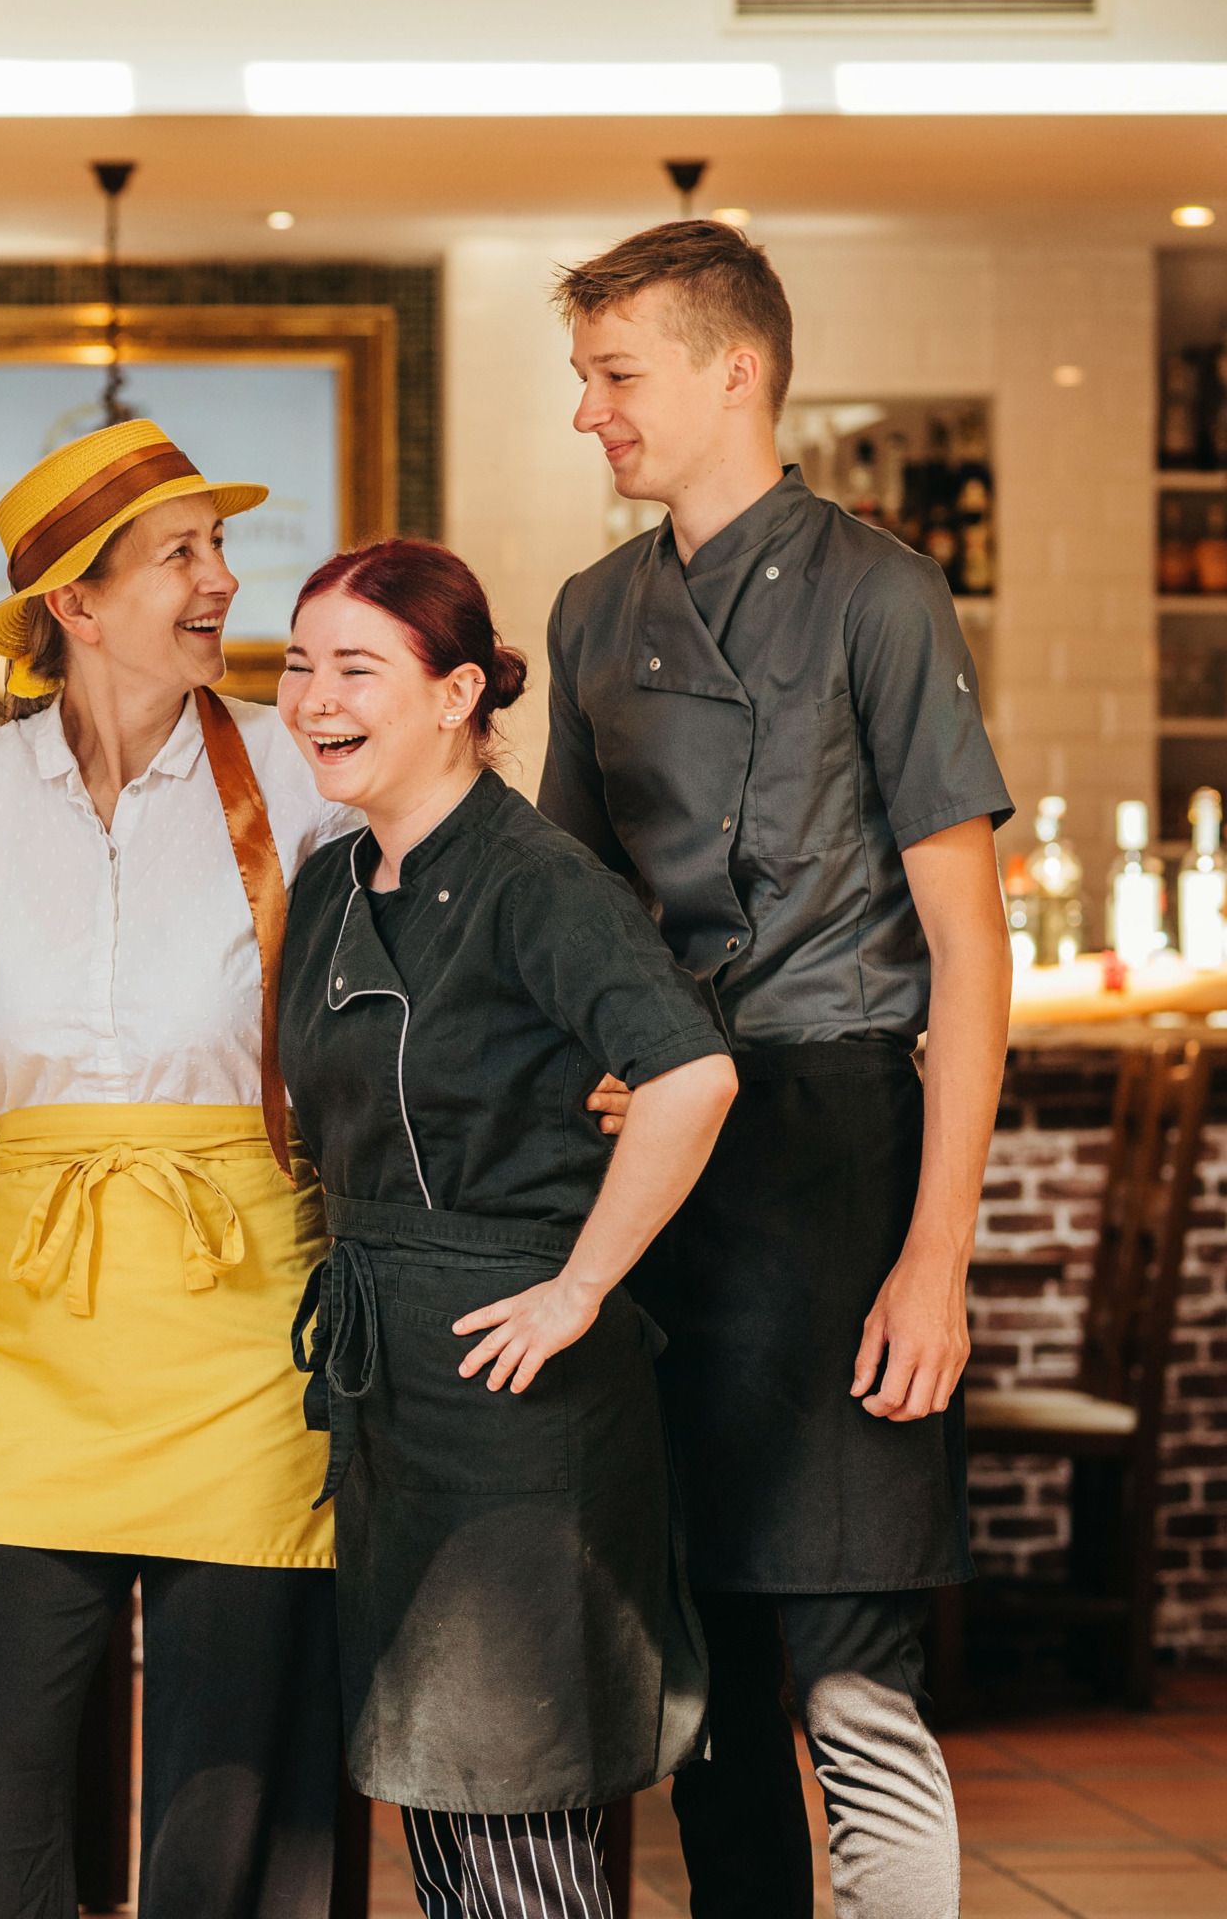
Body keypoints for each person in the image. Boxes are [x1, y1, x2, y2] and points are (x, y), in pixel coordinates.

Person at [540, 220, 1013, 1919]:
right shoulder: (592, 609)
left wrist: (936, 1259)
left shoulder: (883, 590)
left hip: (840, 1157)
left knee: (851, 1669)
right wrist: (606, 1061)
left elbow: (969, 943)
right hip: (678, 1176)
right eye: (584, 379)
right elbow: (577, 929)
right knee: (714, 1686)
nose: (590, 413)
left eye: (616, 376)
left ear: (733, 370)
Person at [0, 421, 351, 1919]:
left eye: (220, 549)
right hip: (35, 1316)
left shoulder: (301, 784)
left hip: (241, 1310)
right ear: (75, 606)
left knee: (228, 1771)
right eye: (183, 554)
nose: (225, 580)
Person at [278, 539, 739, 1919]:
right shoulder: (329, 883)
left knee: (515, 1809)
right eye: (300, 664)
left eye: (357, 666)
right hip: (391, 1392)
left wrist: (579, 1288)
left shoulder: (540, 879)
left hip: (516, 1395)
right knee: (433, 1795)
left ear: (458, 690)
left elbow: (691, 1074)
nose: (313, 697)